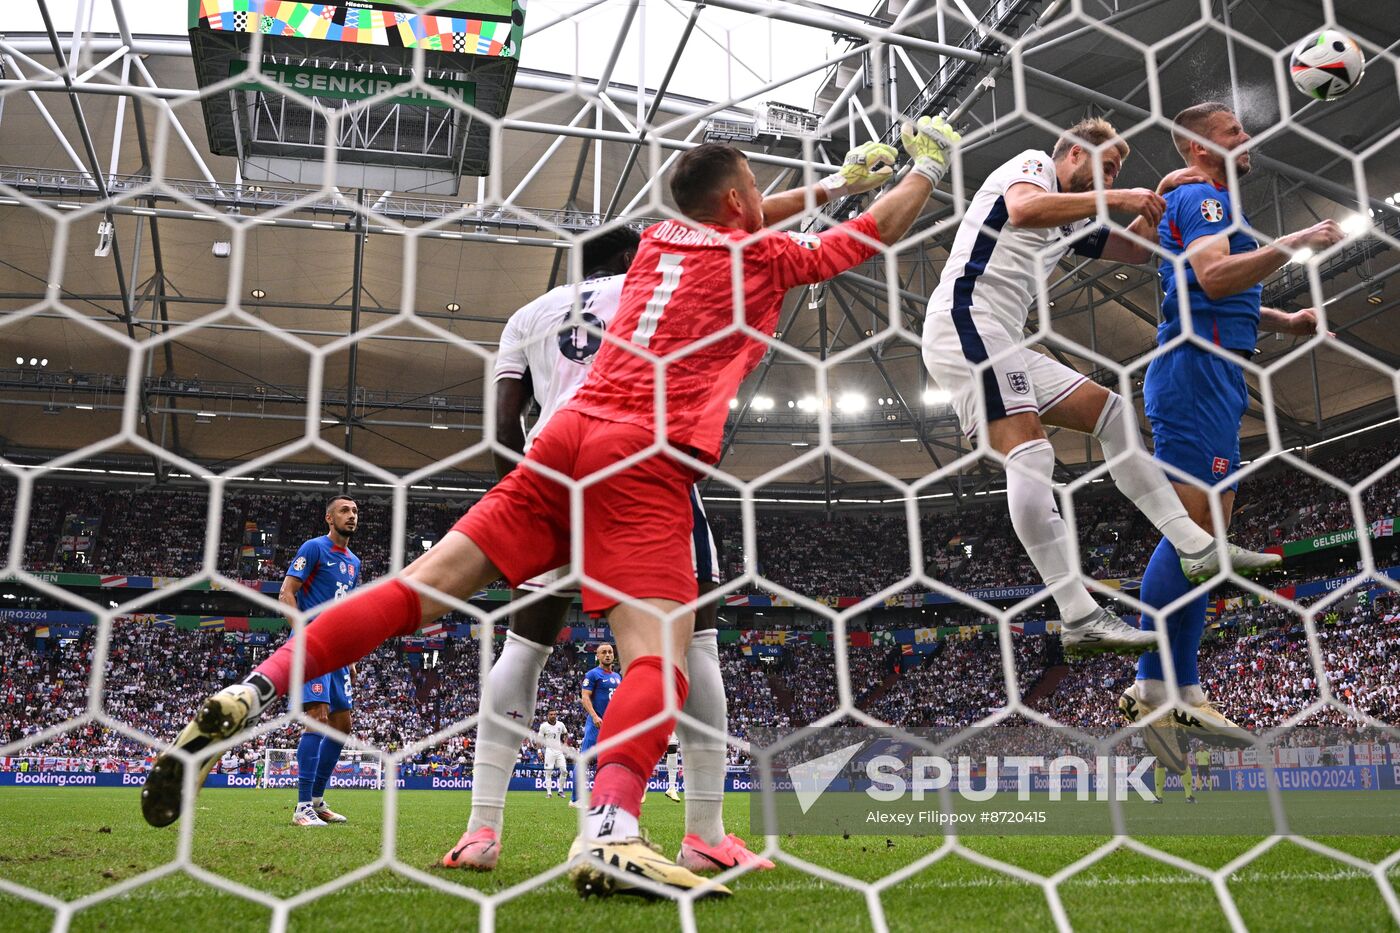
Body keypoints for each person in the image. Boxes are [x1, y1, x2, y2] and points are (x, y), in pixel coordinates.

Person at [142, 117, 958, 898]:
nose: (760, 196)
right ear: (740, 205)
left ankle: (252, 690)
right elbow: (870, 236)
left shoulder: (663, 242)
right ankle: (611, 825)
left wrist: (825, 184)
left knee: (410, 594)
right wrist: (926, 167)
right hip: (642, 464)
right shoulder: (763, 259)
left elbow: (744, 211)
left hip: (557, 444)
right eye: (754, 187)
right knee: (659, 662)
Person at [443, 227, 767, 874]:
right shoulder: (652, 293)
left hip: (554, 471)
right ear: (632, 259)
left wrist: (528, 499)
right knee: (693, 643)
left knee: (522, 649)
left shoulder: (530, 315)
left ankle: (480, 831)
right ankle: (704, 833)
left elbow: (504, 425)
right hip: (641, 474)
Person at [920, 116, 1281, 657]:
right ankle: (1079, 614)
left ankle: (1195, 547)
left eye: (1116, 170)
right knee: (1033, 455)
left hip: (1002, 338)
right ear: (1071, 155)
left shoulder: (1071, 218)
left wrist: (1156, 196)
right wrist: (1123, 193)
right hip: (965, 321)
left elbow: (1136, 250)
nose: (1109, 176)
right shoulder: (1034, 166)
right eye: (1105, 166)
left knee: (1112, 414)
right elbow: (1022, 210)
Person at [1123, 101, 1343, 739]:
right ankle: (1150, 681)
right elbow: (1214, 280)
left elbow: (1212, 291)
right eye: (1233, 132)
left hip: (1214, 370)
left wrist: (1282, 320)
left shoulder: (1210, 204)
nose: (1247, 138)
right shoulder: (1206, 200)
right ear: (1198, 148)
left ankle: (1181, 685)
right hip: (1194, 372)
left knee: (1207, 542)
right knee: (1194, 534)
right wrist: (1294, 242)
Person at [279, 495, 361, 827]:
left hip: (337, 651)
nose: (351, 516)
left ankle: (316, 800)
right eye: (344, 510)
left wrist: (351, 656)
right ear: (329, 518)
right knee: (317, 717)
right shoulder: (313, 548)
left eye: (355, 511)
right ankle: (301, 808)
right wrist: (303, 633)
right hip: (312, 644)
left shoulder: (354, 562)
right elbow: (287, 592)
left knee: (343, 726)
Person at [571, 644, 621, 807]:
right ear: (597, 656)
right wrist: (594, 716)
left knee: (609, 762)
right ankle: (576, 799)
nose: (607, 655)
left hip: (613, 726)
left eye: (610, 652)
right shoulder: (592, 674)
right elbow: (585, 697)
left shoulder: (617, 676)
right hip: (597, 724)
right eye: (604, 652)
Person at [537, 709, 569, 799]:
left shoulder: (560, 724)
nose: (553, 716)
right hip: (549, 751)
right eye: (551, 714)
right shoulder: (543, 726)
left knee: (564, 771)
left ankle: (560, 791)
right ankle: (549, 793)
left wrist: (565, 743)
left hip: (559, 751)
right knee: (548, 772)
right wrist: (539, 751)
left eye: (555, 714)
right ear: (548, 715)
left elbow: (566, 734)